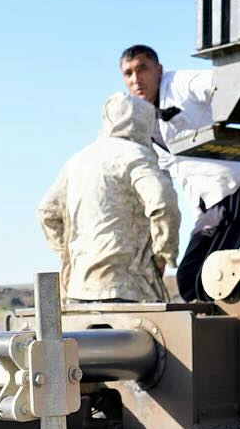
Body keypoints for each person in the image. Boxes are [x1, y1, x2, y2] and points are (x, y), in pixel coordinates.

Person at [120, 44, 240, 303]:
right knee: (188, 280)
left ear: (158, 70)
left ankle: (232, 334)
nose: (136, 79)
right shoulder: (141, 122)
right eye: (128, 73)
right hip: (207, 208)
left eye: (142, 69)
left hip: (231, 193)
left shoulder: (180, 84)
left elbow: (216, 83)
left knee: (206, 280)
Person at [37, 92, 180, 303]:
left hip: (80, 288)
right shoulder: (136, 155)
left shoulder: (78, 161)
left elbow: (46, 212)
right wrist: (163, 254)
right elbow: (162, 201)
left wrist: (71, 255)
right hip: (128, 288)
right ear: (146, 121)